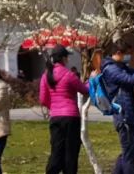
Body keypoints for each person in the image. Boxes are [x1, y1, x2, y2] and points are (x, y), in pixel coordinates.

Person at [99, 40, 134, 174]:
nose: (128, 57)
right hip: (124, 117)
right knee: (130, 157)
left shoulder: (119, 66)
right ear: (117, 53)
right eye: (126, 54)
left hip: (129, 115)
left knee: (128, 154)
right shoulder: (111, 69)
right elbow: (132, 80)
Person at [40, 45, 90, 174]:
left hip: (55, 117)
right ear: (63, 58)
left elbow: (43, 99)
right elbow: (85, 90)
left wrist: (55, 108)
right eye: (67, 57)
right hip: (71, 117)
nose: (68, 60)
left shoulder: (46, 76)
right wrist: (92, 80)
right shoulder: (69, 75)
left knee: (57, 149)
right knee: (71, 152)